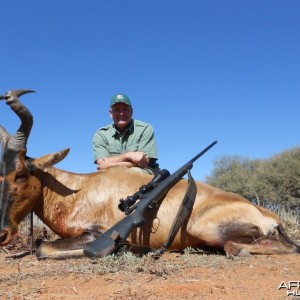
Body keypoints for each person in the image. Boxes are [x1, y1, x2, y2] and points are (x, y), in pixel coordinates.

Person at [93, 93, 159, 175]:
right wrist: (128, 155)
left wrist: (110, 165)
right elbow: (101, 163)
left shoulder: (145, 128)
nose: (121, 113)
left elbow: (145, 162)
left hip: (144, 171)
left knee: (132, 174)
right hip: (111, 173)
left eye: (125, 109)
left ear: (131, 111)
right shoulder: (101, 134)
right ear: (111, 113)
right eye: (117, 110)